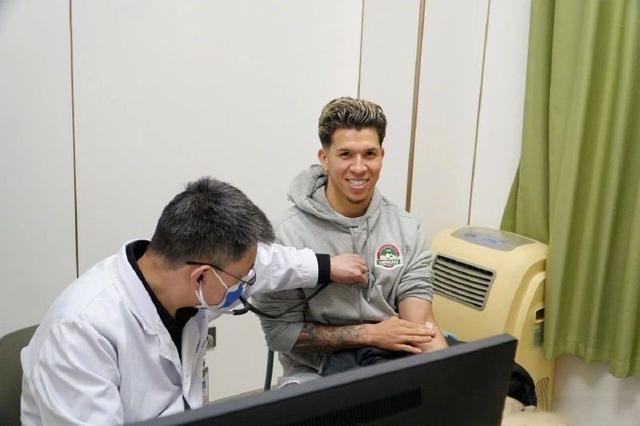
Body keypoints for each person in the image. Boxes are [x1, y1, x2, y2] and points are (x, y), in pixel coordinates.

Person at [20, 177, 368, 425]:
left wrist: (327, 266)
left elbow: (264, 263)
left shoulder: (180, 278)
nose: (246, 285)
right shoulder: (81, 332)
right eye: (241, 279)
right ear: (200, 276)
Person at [254, 97, 448, 385]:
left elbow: (419, 328)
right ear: (324, 159)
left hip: (390, 361)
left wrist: (448, 383)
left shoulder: (406, 229)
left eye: (369, 154)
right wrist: (369, 334)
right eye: (345, 154)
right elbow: (280, 334)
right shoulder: (287, 234)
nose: (359, 168)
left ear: (382, 155)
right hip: (314, 372)